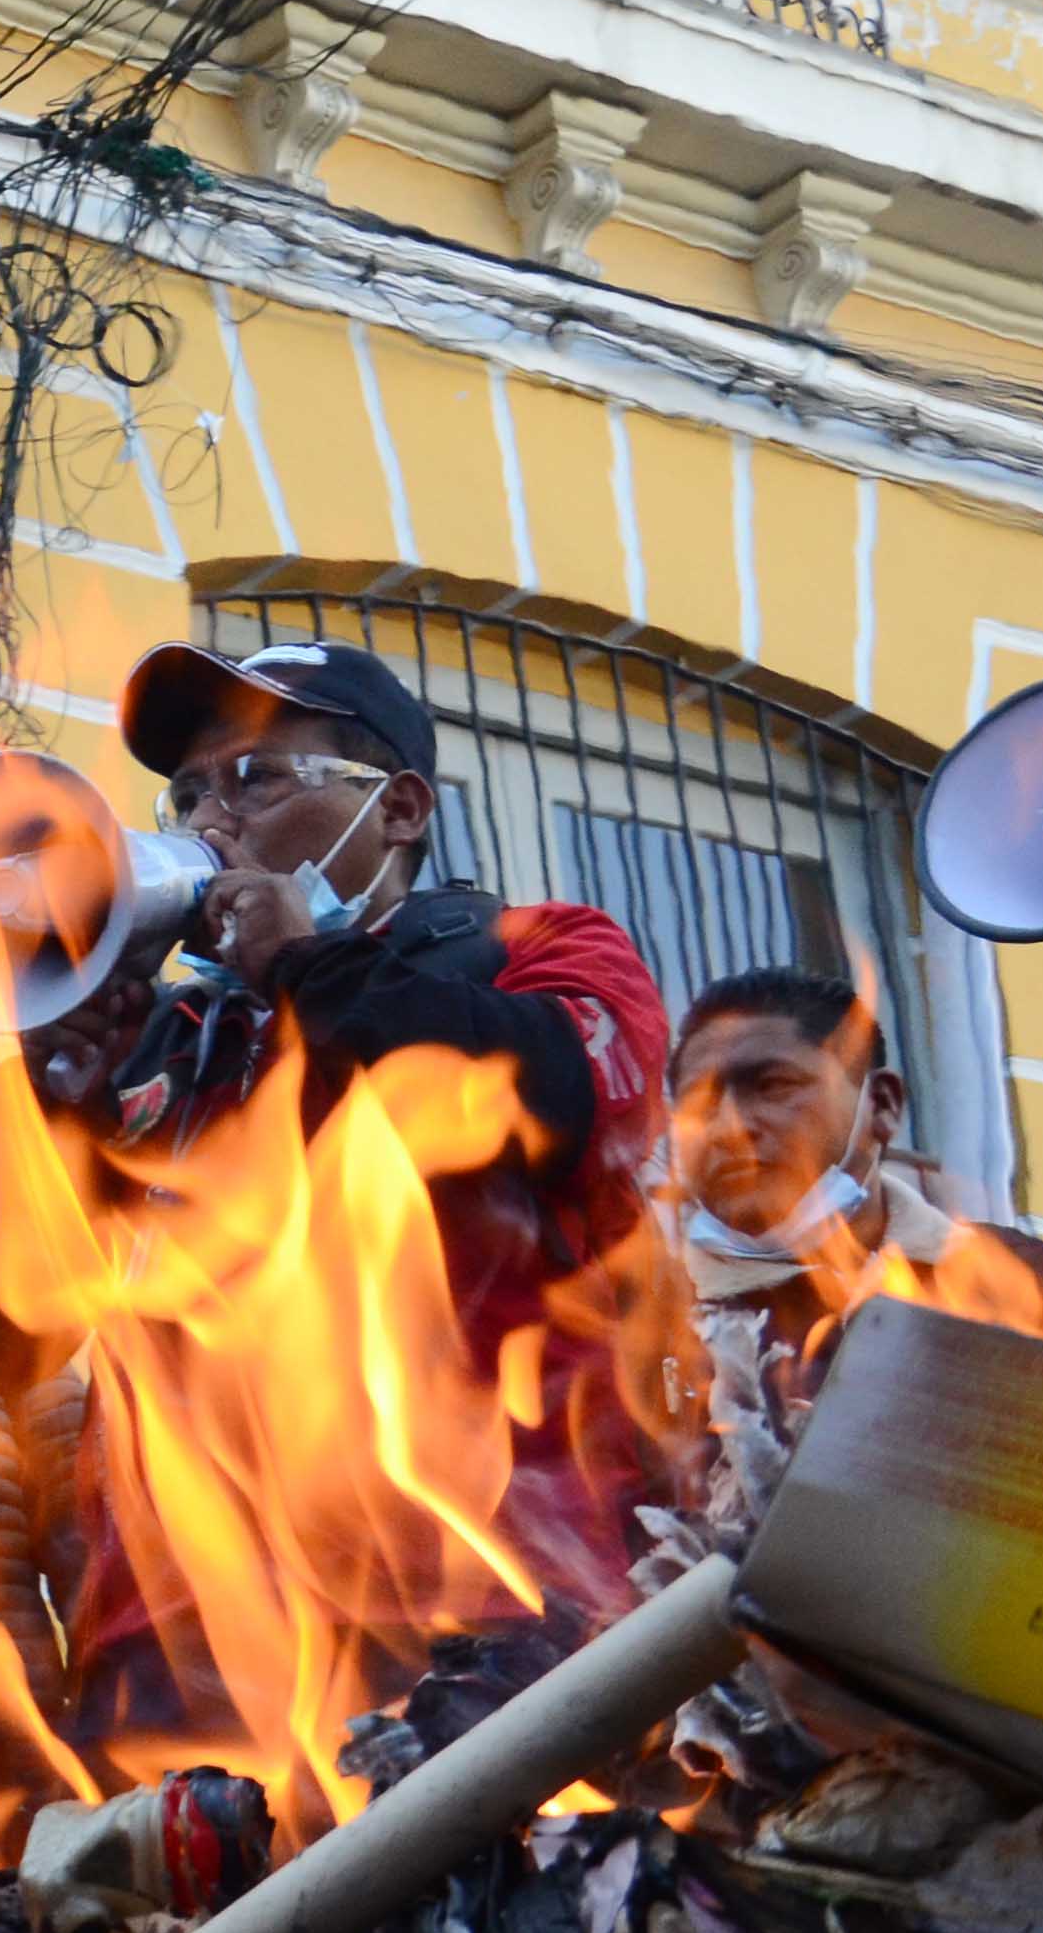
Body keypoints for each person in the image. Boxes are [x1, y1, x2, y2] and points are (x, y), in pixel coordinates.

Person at [78, 634, 673, 1718]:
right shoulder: (181, 1037)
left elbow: (559, 1092)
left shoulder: (529, 946)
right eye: (186, 795)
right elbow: (15, 1319)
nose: (214, 821)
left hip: (466, 1588)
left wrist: (311, 968)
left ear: (395, 809)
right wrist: (63, 1088)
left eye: (254, 778)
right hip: (177, 1629)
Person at [667, 966, 1043, 1348]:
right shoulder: (642, 1323)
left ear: (882, 1105)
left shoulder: (1015, 1278)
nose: (727, 1129)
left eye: (774, 1085)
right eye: (697, 1105)